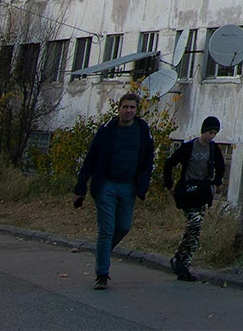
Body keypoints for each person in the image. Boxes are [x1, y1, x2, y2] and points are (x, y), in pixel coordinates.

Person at [72, 90, 154, 290]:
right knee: (106, 229)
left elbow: (148, 160)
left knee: (123, 226)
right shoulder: (107, 130)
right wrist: (80, 188)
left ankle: (103, 252)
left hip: (128, 186)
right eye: (125, 107)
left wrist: (143, 185)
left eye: (132, 107)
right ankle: (102, 274)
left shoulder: (142, 130)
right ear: (119, 109)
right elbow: (91, 159)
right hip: (106, 185)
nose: (128, 111)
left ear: (136, 111)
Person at [163, 115, 227, 282]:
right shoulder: (188, 147)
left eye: (214, 133)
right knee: (195, 223)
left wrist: (216, 183)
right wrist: (170, 186)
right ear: (203, 131)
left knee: (195, 230)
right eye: (210, 132)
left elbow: (221, 167)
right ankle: (179, 259)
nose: (212, 136)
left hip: (202, 193)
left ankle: (183, 265)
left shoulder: (214, 149)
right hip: (187, 192)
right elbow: (169, 164)